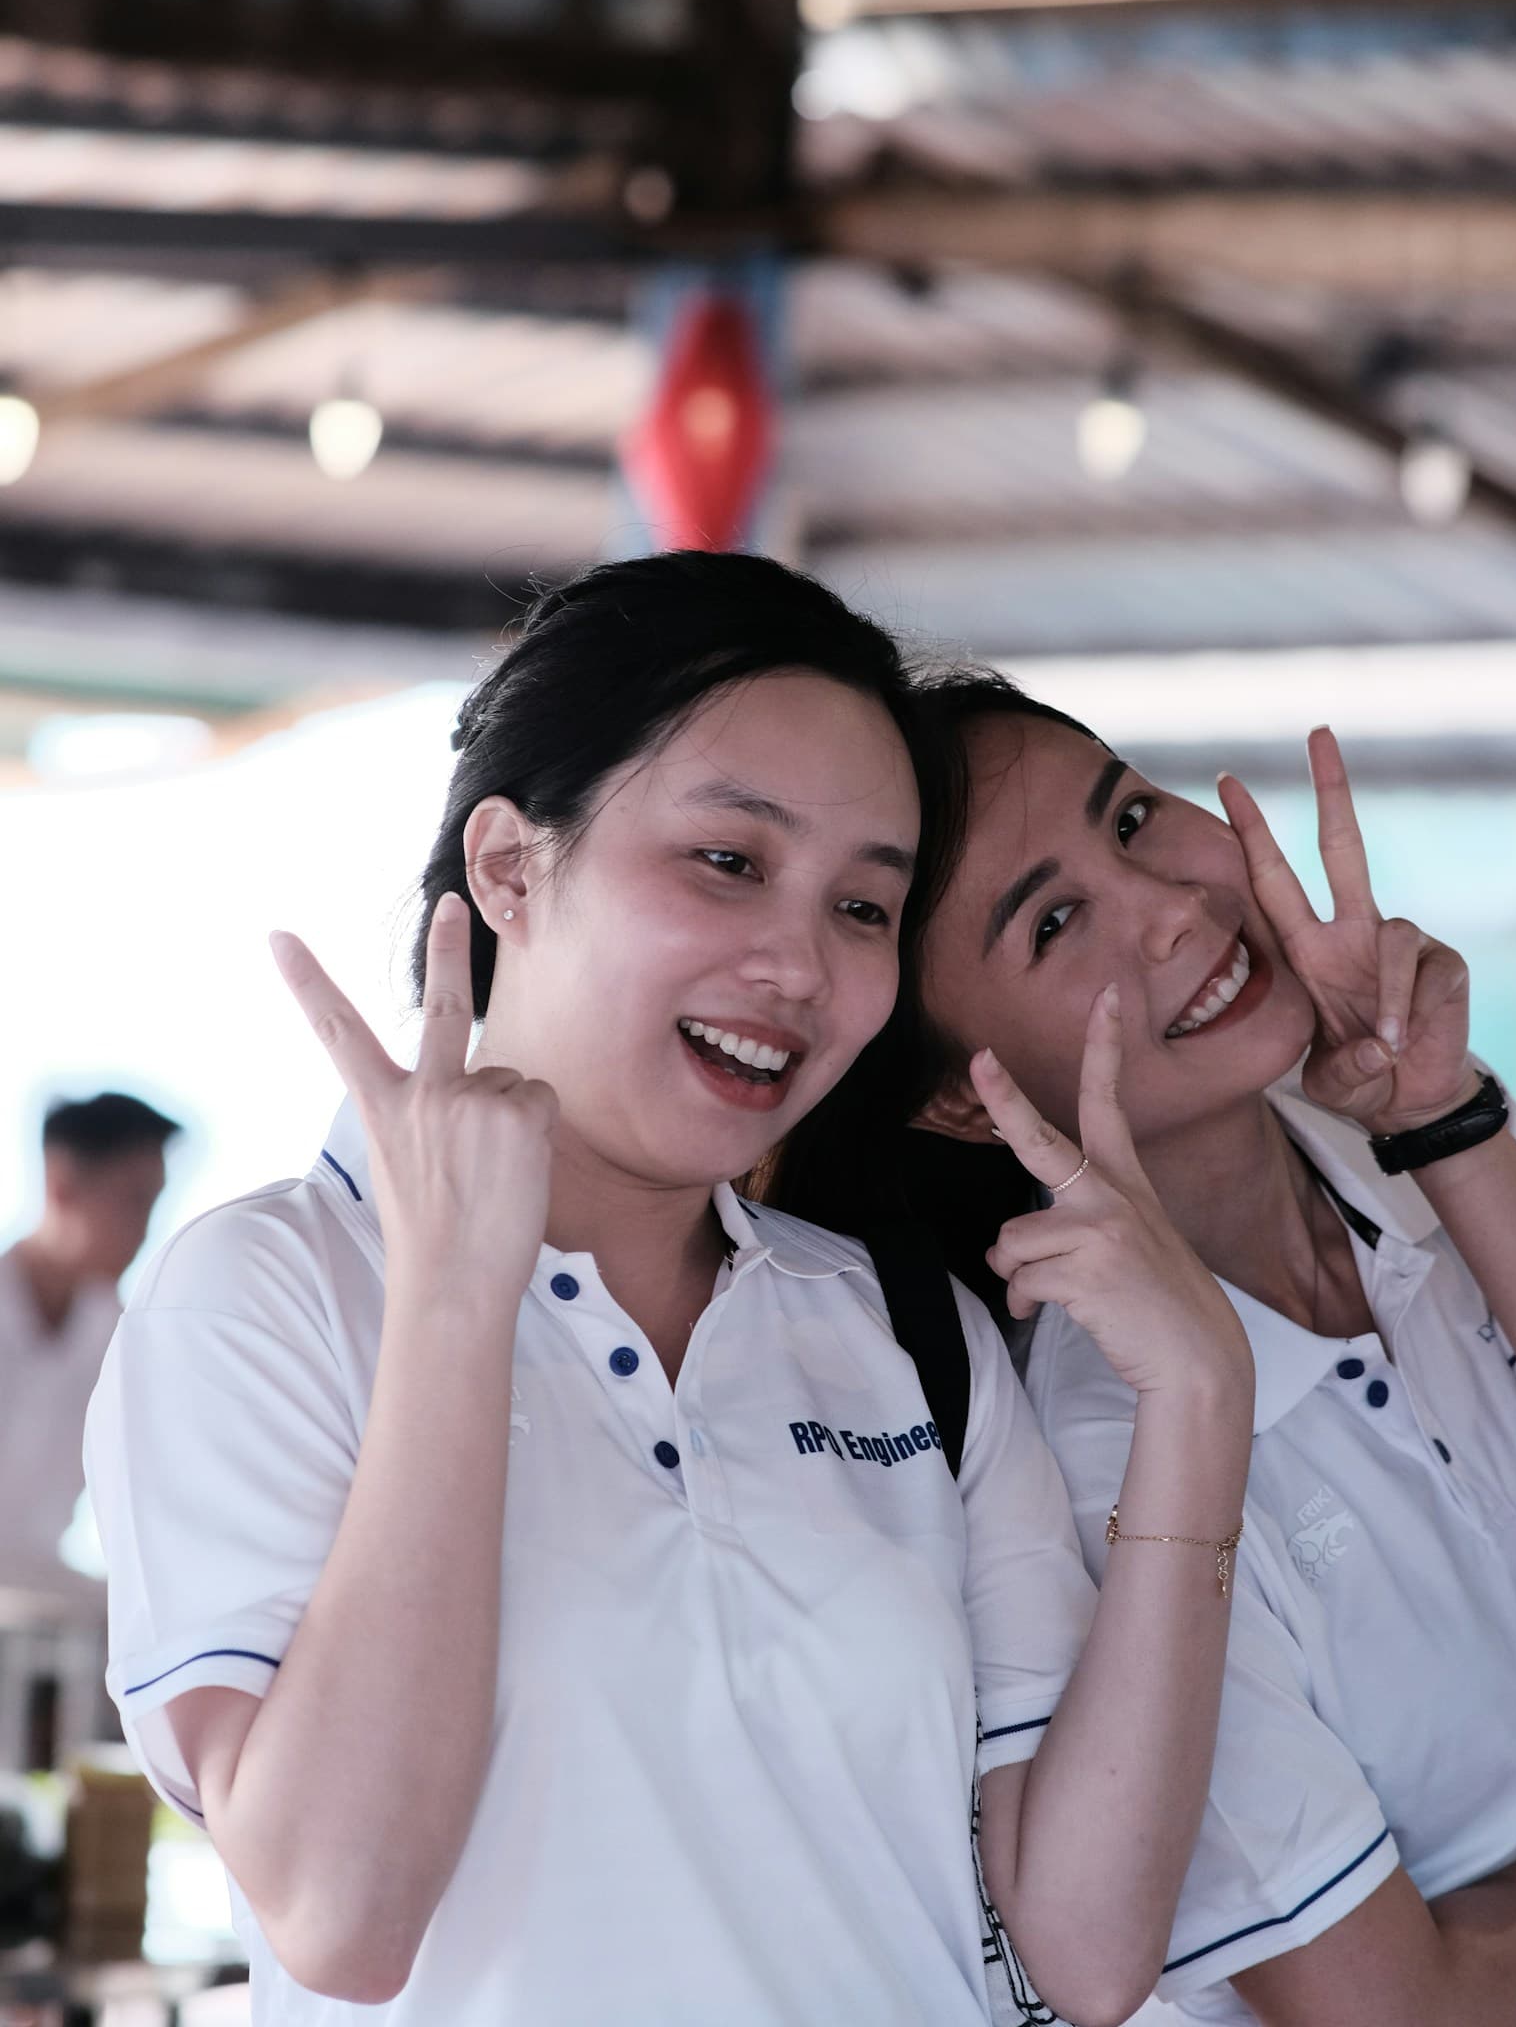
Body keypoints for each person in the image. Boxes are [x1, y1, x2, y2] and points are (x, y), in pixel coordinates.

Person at [83, 553, 1255, 2027]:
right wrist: (455, 1298)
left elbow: (1083, 1949)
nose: (799, 963)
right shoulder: (266, 1298)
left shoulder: (899, 1333)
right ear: (508, 867)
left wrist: (1203, 1401)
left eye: (865, 909)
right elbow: (342, 1910)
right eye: (729, 862)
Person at [775, 673, 1516, 2027]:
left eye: (1136, 815)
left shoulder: (1410, 1165)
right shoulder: (1099, 1459)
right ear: (954, 1099)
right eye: (1055, 922)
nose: (1172, 905)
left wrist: (1445, 1116)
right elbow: (1398, 2013)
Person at [0, 1092, 178, 1600]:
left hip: (38, 1607)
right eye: (133, 1201)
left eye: (154, 1204)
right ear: (62, 1186)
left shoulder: (122, 1338)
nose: (144, 1231)